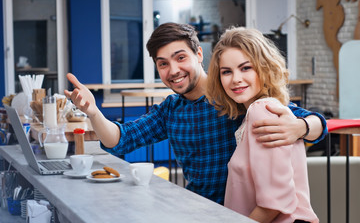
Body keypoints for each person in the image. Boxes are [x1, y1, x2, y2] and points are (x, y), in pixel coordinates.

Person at [64, 22, 327, 205]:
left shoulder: (234, 95)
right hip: (196, 208)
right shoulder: (170, 110)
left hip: (241, 211)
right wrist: (93, 111)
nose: (173, 70)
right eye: (163, 64)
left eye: (180, 58)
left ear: (199, 54)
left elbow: (317, 122)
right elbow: (120, 139)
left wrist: (301, 127)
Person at [206, 26, 319, 222]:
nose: (236, 80)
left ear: (263, 67)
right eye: (226, 72)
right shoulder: (259, 111)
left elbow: (274, 203)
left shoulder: (263, 110)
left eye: (245, 68)